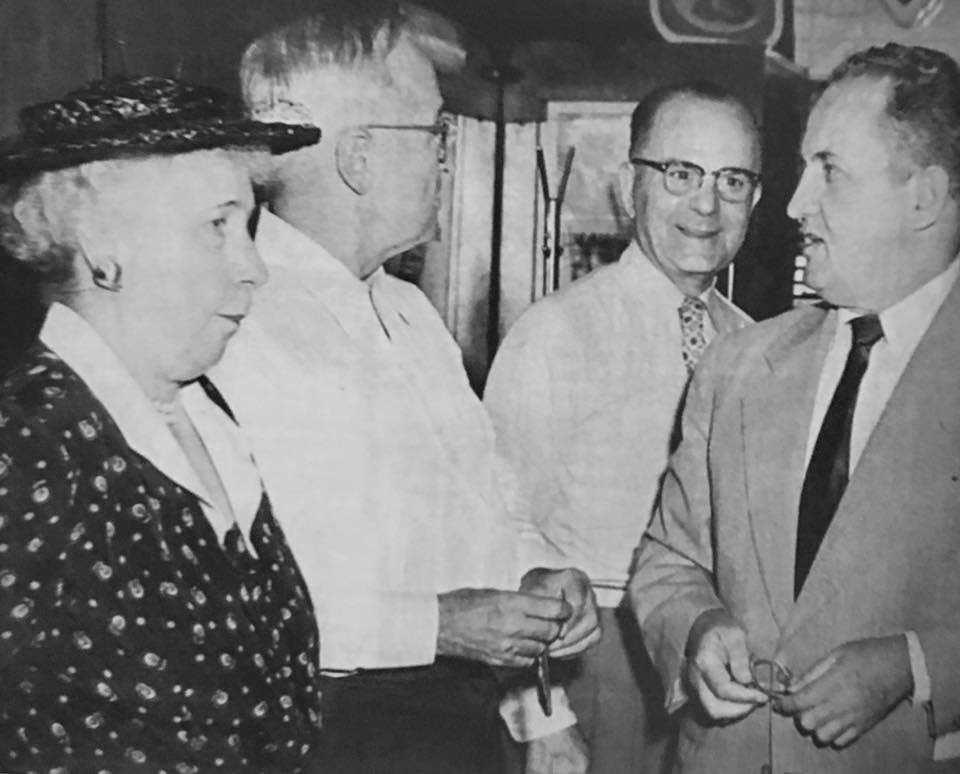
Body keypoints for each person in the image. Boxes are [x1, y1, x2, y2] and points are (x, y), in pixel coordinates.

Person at [209, 3, 600, 773]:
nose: (445, 157)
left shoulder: (410, 313)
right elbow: (233, 605)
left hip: (454, 729)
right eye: (434, 131)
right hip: (322, 738)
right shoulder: (232, 325)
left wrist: (540, 604)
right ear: (358, 158)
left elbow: (486, 507)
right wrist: (437, 627)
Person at [629, 42, 960, 774]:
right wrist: (698, 628)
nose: (792, 204)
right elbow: (667, 557)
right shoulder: (739, 363)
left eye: (829, 173)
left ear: (924, 197)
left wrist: (917, 665)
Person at [0, 75, 323, 772]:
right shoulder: (24, 449)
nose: (254, 268)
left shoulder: (207, 418)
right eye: (217, 226)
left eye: (250, 227)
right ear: (105, 246)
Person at [483, 82, 759, 774]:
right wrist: (539, 715)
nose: (706, 204)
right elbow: (496, 529)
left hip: (717, 670)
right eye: (680, 173)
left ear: (756, 199)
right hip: (589, 665)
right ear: (626, 186)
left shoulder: (761, 349)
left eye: (731, 180)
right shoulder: (557, 333)